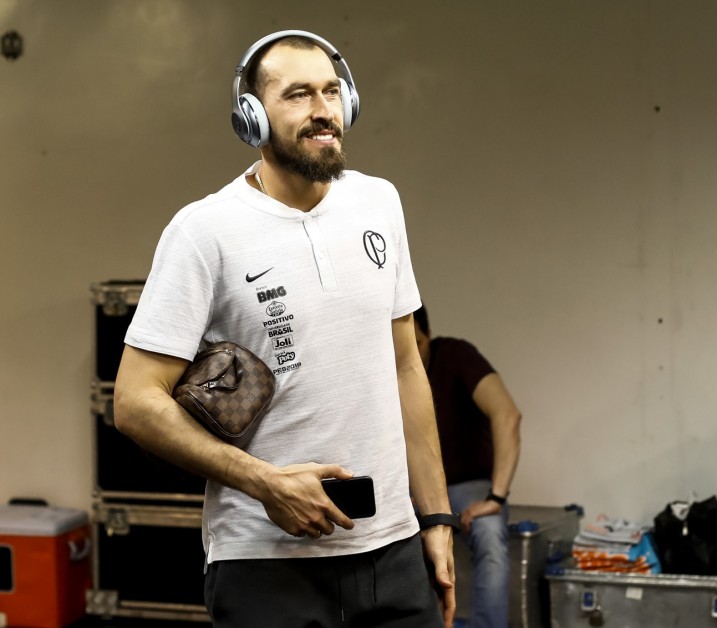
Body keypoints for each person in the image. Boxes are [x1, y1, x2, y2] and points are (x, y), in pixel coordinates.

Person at [113, 30, 457, 628]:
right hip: (265, 565)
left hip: (393, 552)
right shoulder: (205, 231)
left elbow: (405, 365)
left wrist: (435, 520)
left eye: (331, 91)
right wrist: (265, 482)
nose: (323, 110)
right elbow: (134, 402)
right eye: (298, 94)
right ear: (252, 117)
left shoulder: (379, 203)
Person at [413, 305, 522, 628]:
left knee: (489, 533)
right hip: (412, 487)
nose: (411, 359)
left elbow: (508, 415)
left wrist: (496, 498)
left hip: (465, 484)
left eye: (417, 345)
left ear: (428, 335)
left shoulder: (456, 355)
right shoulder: (384, 373)